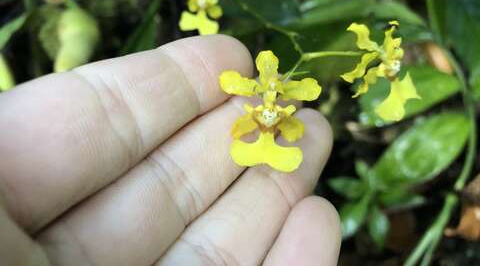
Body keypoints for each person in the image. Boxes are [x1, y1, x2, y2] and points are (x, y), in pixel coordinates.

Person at [0, 35, 341, 265]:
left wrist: (275, 113)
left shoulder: (279, 106)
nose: (269, 99)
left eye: (273, 95)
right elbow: (240, 105)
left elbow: (290, 118)